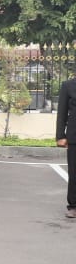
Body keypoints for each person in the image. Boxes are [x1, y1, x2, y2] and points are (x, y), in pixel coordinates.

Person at [55, 73, 76, 218]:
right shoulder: (68, 85)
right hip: (74, 135)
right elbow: (62, 113)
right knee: (74, 173)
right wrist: (60, 136)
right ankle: (73, 205)